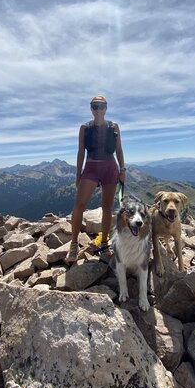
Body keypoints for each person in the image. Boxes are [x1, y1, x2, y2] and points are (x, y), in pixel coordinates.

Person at [65, 95, 126, 264]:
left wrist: (122, 169)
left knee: (107, 207)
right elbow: (80, 152)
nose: (98, 109)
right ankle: (74, 243)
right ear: (91, 108)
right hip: (91, 168)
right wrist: (78, 175)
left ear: (106, 108)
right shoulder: (85, 128)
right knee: (79, 205)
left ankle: (105, 244)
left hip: (110, 167)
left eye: (101, 106)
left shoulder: (114, 127)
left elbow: (119, 150)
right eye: (95, 106)